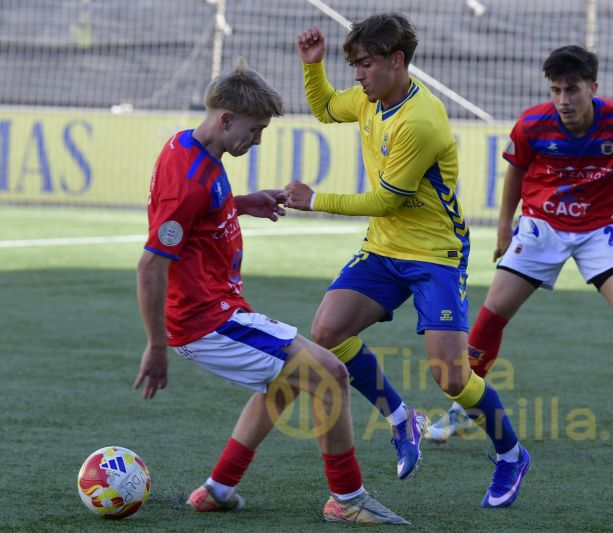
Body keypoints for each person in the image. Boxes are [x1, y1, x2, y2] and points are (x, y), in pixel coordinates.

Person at [133, 57, 409, 525]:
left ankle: (218, 489)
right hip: (206, 320)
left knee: (285, 382)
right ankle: (347, 498)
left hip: (220, 309)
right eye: (255, 130)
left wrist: (240, 204)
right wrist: (156, 345)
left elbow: (198, 214)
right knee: (330, 374)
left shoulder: (188, 146)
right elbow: (150, 265)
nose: (258, 140)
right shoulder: (190, 181)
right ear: (226, 119)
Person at [287, 13, 530, 508]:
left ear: (397, 61)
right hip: (383, 248)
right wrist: (313, 67)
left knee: (451, 377)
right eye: (355, 65)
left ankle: (511, 454)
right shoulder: (371, 97)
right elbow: (328, 109)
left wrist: (315, 200)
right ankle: (402, 420)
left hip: (434, 254)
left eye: (366, 64)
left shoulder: (420, 120)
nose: (358, 75)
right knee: (328, 331)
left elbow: (385, 200)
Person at [424, 45, 613, 459]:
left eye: (572, 90)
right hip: (542, 226)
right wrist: (504, 227)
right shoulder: (532, 123)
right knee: (493, 312)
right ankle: (463, 406)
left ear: (593, 88)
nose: (563, 100)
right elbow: (515, 172)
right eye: (556, 90)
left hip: (602, 227)